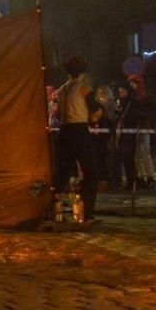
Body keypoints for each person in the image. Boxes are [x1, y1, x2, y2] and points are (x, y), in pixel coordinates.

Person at [54, 56, 98, 221]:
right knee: (91, 171)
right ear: (83, 72)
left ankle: (53, 207)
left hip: (64, 131)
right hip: (79, 130)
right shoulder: (84, 89)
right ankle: (86, 211)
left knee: (62, 172)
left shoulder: (62, 90)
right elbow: (94, 114)